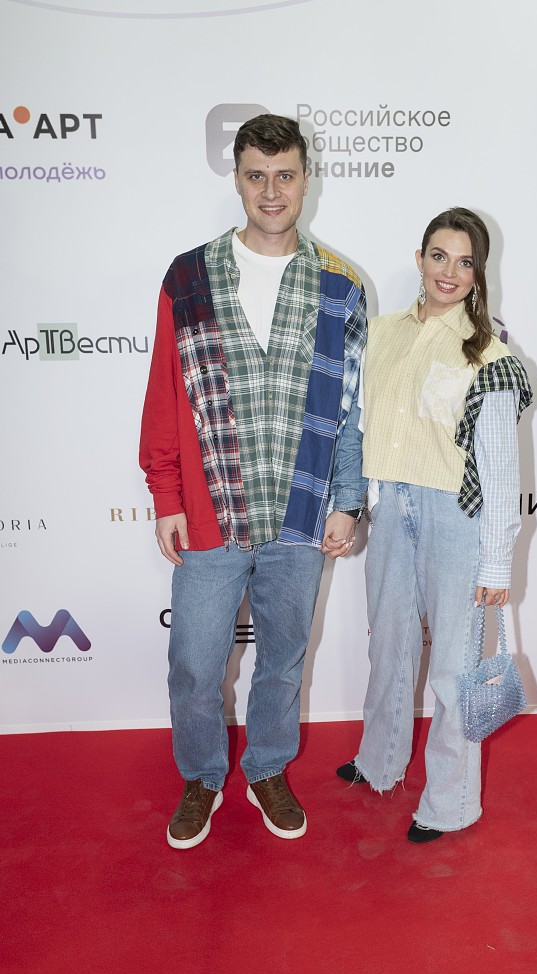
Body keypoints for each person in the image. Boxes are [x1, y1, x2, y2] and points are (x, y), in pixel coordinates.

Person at [140, 114, 367, 849]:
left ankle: (267, 767)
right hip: (211, 511)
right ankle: (202, 776)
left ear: (306, 180)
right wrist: (166, 496)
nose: (272, 191)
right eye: (256, 176)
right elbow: (164, 394)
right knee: (193, 662)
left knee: (283, 661)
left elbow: (351, 408)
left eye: (285, 175)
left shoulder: (340, 284)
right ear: (237, 179)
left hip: (301, 514)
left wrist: (348, 500)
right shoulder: (188, 276)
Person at [336, 208, 532, 843]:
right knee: (388, 647)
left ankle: (450, 803)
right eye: (439, 256)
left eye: (465, 262)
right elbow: (361, 422)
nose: (450, 272)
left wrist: (496, 561)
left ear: (479, 273)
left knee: (451, 667)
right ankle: (379, 761)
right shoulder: (381, 333)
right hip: (392, 506)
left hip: (456, 517)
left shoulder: (488, 352)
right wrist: (361, 500)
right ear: (419, 259)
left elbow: (500, 468)